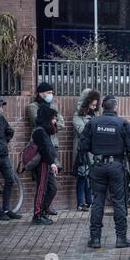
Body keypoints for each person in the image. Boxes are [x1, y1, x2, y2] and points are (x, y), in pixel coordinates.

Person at [79, 95, 130, 249]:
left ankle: (95, 239)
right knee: (119, 202)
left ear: (102, 107)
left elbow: (83, 145)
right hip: (116, 166)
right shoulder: (122, 123)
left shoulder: (93, 123)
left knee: (98, 201)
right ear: (115, 107)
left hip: (98, 166)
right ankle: (121, 238)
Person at [27, 82, 64, 216]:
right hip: (42, 153)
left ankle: (44, 208)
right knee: (42, 185)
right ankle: (39, 212)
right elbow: (37, 121)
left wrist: (53, 123)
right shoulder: (33, 108)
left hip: (51, 149)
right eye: (48, 92)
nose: (51, 95)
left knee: (52, 185)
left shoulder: (52, 107)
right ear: (41, 93)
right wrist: (51, 123)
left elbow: (62, 124)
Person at [72, 89, 100, 212]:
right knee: (82, 176)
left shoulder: (94, 115)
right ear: (86, 102)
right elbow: (83, 131)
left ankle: (90, 201)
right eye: (92, 105)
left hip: (92, 150)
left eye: (96, 105)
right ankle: (80, 203)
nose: (94, 108)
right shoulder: (78, 115)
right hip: (82, 151)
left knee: (90, 176)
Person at [31, 105, 59, 225]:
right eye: (53, 118)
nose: (55, 121)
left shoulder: (45, 131)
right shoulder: (39, 131)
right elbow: (44, 150)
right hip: (42, 164)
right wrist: (52, 163)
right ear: (47, 118)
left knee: (53, 187)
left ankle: (43, 210)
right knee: (41, 188)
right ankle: (37, 215)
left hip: (47, 163)